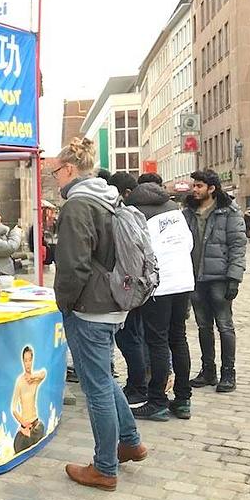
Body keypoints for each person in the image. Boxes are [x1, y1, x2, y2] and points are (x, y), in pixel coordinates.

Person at [51, 137, 146, 491]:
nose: (55, 178)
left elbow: (73, 266)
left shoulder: (78, 205)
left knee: (96, 388)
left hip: (89, 307)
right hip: (111, 301)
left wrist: (64, 303)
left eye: (56, 172)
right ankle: (130, 442)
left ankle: (105, 467)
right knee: (104, 379)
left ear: (70, 169)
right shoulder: (108, 197)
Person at [125, 173, 195, 421]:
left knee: (157, 342)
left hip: (159, 284)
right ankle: (183, 399)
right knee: (179, 339)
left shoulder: (135, 212)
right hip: (184, 280)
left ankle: (157, 400)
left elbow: (137, 251)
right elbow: (188, 243)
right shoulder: (174, 208)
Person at [184, 170, 247, 393]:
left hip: (219, 277)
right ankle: (208, 370)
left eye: (199, 186)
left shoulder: (228, 211)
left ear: (211, 188)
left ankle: (228, 372)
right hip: (195, 277)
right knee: (203, 326)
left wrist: (234, 277)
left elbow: (238, 245)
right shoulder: (188, 212)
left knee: (225, 325)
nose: (194, 189)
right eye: (194, 185)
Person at [109, 171, 147, 407]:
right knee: (134, 337)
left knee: (129, 338)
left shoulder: (125, 215)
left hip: (129, 285)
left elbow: (129, 256)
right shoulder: (135, 213)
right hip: (139, 284)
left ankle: (137, 386)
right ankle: (137, 383)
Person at [11, 346, 47, 452]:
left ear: (32, 360)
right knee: (19, 445)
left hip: (36, 424)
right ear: (23, 361)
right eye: (25, 360)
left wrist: (32, 377)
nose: (28, 363)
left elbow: (43, 373)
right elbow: (13, 408)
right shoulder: (20, 381)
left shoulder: (35, 380)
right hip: (25, 426)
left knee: (41, 429)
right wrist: (23, 424)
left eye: (30, 360)